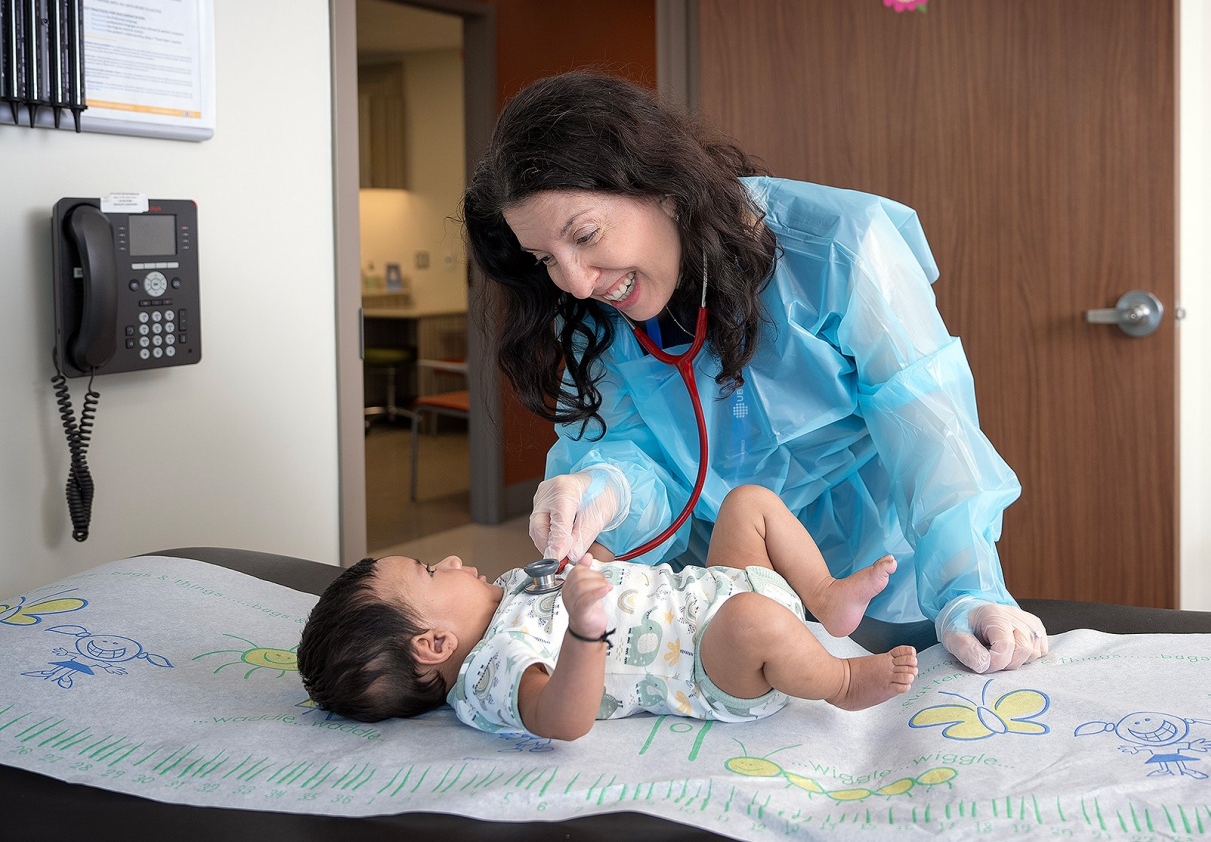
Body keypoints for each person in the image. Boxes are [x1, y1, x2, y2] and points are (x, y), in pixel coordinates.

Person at [462, 70, 1048, 675]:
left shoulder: (842, 248)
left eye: (585, 235)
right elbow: (637, 454)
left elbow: (930, 431)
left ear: (661, 184)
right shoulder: (597, 314)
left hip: (874, 579)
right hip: (726, 591)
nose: (578, 281)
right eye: (545, 260)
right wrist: (605, 488)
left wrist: (968, 590)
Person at [297, 484, 918, 736]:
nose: (454, 560)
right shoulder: (492, 671)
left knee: (746, 502)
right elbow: (561, 719)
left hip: (704, 588)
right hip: (713, 662)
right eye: (433, 573)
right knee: (753, 620)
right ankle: (838, 679)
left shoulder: (510, 590)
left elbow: (599, 572)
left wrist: (587, 542)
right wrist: (585, 634)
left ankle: (826, 596)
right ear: (433, 644)